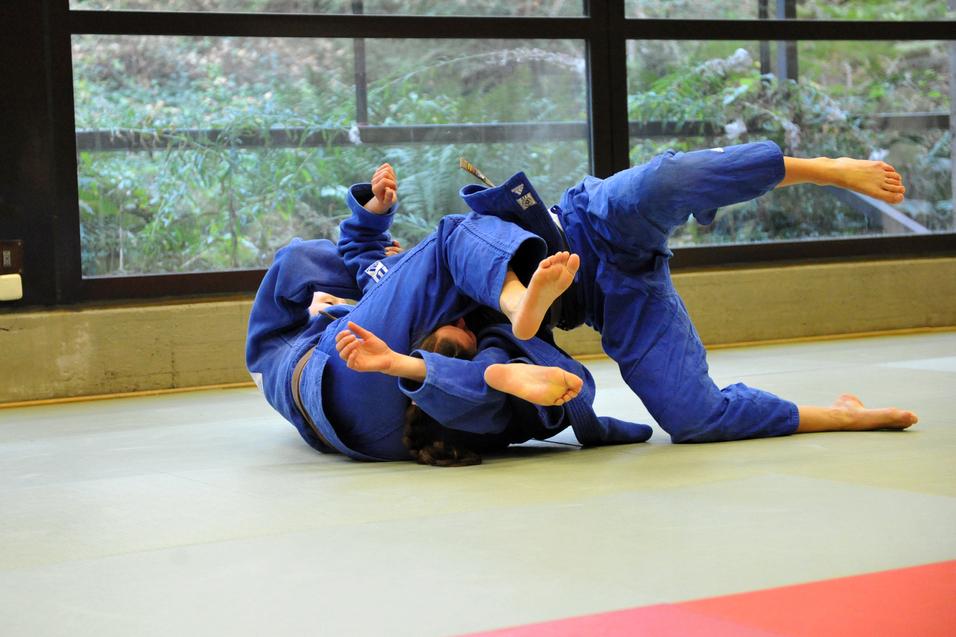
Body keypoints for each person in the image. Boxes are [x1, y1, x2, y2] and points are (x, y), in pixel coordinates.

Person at [341, 140, 917, 452]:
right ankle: (839, 414)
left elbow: (362, 258)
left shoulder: (392, 290)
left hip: (590, 222)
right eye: (466, 340)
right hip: (610, 295)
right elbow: (483, 381)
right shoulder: (481, 353)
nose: (465, 330)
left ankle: (825, 168)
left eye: (453, 333)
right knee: (692, 420)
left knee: (670, 181)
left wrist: (374, 213)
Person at [246, 164, 652, 462]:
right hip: (366, 388)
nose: (457, 318)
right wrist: (392, 271)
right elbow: (304, 261)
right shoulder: (288, 349)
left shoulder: (345, 329)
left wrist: (374, 216)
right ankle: (511, 309)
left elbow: (357, 256)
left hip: (401, 429)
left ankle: (491, 363)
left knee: (499, 345)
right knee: (453, 239)